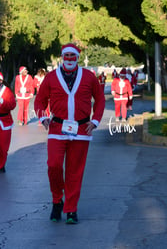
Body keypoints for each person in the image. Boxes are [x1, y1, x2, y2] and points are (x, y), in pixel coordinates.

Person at [34, 43, 105, 224]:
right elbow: (40, 101)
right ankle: (57, 200)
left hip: (81, 131)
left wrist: (95, 120)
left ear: (78, 58)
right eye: (67, 56)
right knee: (54, 165)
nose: (70, 60)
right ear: (62, 57)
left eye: (73, 57)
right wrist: (43, 118)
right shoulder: (51, 77)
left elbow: (100, 99)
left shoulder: (89, 77)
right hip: (57, 129)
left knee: (75, 172)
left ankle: (71, 210)